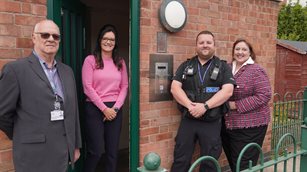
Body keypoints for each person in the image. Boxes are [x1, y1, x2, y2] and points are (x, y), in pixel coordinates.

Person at [0, 20, 82, 172]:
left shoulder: (67, 71)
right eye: (45, 35)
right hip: (32, 155)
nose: (51, 39)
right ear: (34, 38)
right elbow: (2, 114)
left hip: (62, 153)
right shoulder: (15, 70)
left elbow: (73, 111)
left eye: (55, 36)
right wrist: (22, 133)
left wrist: (75, 145)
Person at [170, 30, 236, 172]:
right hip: (189, 120)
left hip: (212, 122)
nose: (205, 45)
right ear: (196, 45)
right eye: (201, 42)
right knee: (181, 158)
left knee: (209, 161)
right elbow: (175, 88)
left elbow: (228, 91)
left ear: (214, 45)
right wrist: (190, 106)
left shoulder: (223, 67)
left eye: (208, 42)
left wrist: (205, 106)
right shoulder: (186, 65)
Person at [82, 24, 128, 172]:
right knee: (95, 151)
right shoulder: (90, 60)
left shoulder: (120, 62)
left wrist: (114, 108)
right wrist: (104, 109)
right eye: (105, 38)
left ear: (115, 42)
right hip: (94, 108)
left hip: (115, 109)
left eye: (112, 39)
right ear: (100, 40)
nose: (108, 42)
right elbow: (87, 87)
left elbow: (124, 87)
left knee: (112, 152)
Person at [221, 39, 272, 171]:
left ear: (250, 53)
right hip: (228, 124)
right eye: (237, 49)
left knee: (244, 164)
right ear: (233, 52)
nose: (240, 52)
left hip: (251, 126)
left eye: (244, 49)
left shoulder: (256, 70)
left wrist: (235, 105)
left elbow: (264, 95)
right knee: (233, 161)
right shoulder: (226, 68)